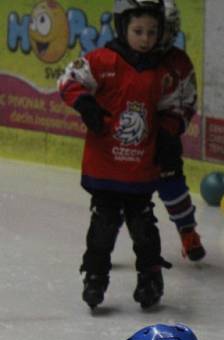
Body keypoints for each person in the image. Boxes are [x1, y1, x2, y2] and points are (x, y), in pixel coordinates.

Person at [58, 0, 171, 309]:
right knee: (103, 226)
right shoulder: (102, 60)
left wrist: (169, 135)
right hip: (106, 164)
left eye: (152, 31)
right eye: (138, 31)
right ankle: (95, 277)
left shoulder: (162, 70)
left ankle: (150, 278)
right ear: (123, 28)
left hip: (140, 167)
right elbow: (68, 79)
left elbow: (175, 105)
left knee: (144, 226)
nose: (145, 38)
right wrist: (85, 104)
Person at [153, 0, 205, 261]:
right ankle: (105, 238)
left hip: (163, 141)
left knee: (173, 187)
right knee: (118, 195)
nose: (151, 36)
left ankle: (187, 232)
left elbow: (188, 101)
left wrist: (170, 128)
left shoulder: (179, 62)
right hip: (127, 138)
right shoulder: (121, 57)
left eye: (159, 29)